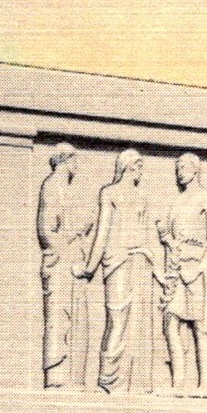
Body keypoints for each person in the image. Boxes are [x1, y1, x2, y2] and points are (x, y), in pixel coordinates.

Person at [76, 149, 161, 393]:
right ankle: (108, 380)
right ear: (128, 167)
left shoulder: (142, 196)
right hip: (117, 261)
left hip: (140, 262)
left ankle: (135, 384)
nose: (141, 172)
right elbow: (102, 233)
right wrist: (89, 268)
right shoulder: (109, 192)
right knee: (117, 319)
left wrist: (156, 266)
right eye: (138, 167)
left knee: (139, 322)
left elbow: (146, 233)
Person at [158, 153, 207, 395]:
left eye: (184, 167)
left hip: (197, 269)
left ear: (196, 169)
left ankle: (204, 385)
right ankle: (178, 384)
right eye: (177, 167)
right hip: (176, 268)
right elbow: (174, 240)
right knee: (170, 325)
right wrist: (167, 238)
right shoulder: (178, 201)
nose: (179, 171)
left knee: (200, 327)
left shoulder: (206, 197)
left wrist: (199, 267)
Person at [37, 144, 90, 387]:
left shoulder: (64, 188)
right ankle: (56, 379)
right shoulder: (52, 185)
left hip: (70, 263)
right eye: (74, 161)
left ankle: (71, 380)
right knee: (58, 319)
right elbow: (46, 230)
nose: (76, 167)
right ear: (66, 160)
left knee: (73, 319)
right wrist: (74, 236)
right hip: (60, 264)